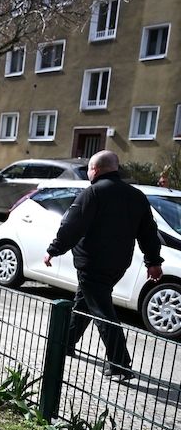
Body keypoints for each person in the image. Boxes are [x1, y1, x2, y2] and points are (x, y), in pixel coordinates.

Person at [43, 150, 163, 380]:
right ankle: (65, 343)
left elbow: (72, 225)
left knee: (102, 312)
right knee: (85, 303)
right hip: (118, 265)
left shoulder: (93, 193)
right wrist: (153, 262)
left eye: (89, 168)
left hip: (91, 263)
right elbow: (149, 232)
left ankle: (120, 364)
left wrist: (53, 250)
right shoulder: (136, 195)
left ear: (95, 170)